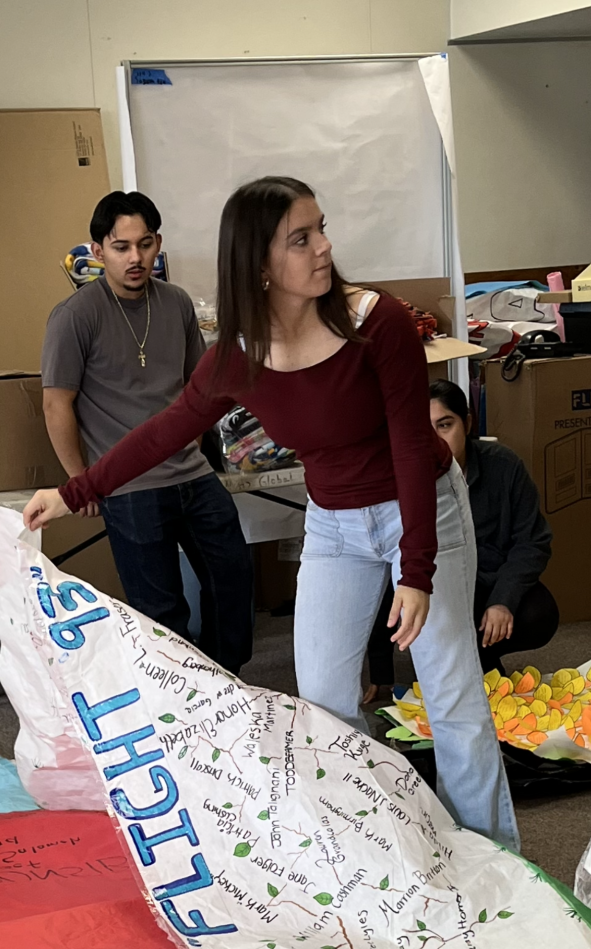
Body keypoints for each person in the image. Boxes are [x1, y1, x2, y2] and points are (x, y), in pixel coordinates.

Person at [24, 176, 519, 851]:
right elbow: (163, 431)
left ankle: (496, 859)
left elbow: (410, 444)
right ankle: (375, 850)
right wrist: (73, 490)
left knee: (450, 694)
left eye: (321, 229)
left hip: (422, 506)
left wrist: (416, 571)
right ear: (258, 262)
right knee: (323, 704)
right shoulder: (240, 354)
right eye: (301, 238)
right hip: (336, 525)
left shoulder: (377, 322)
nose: (325, 247)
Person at [41, 189, 253, 674]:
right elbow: (56, 406)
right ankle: (179, 697)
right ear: (98, 251)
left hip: (193, 474)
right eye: (121, 247)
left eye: (145, 244)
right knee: (160, 612)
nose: (135, 258)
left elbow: (198, 388)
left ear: (158, 243)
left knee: (233, 580)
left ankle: (224, 683)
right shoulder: (74, 316)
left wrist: (194, 445)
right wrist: (81, 482)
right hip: (128, 485)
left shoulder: (175, 303)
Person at [363, 379, 558, 700]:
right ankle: (471, 661)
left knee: (539, 613)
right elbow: (380, 569)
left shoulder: (504, 466)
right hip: (434, 588)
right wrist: (381, 669)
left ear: (467, 424)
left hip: (488, 582)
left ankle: (479, 656)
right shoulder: (397, 479)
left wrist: (503, 601)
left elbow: (532, 542)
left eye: (444, 425)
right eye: (422, 429)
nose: (434, 440)